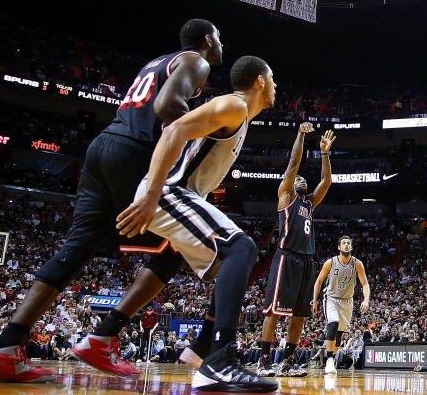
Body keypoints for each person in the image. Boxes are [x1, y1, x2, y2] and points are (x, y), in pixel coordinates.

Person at [0, 19, 223, 383]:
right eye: (219, 38)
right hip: (136, 153)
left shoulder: (157, 61)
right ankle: (105, 335)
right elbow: (168, 106)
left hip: (103, 147)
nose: (221, 45)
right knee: (179, 246)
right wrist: (205, 137)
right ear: (205, 39)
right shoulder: (195, 61)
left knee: (78, 248)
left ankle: (5, 347)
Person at [112, 54, 278, 392]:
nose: (275, 85)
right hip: (169, 193)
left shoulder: (240, 116)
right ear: (260, 81)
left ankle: (204, 351)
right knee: (240, 248)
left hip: (181, 196)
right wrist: (151, 195)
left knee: (229, 265)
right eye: (272, 78)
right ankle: (220, 358)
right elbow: (174, 128)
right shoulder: (235, 106)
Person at [257, 123, 337, 377]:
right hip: (286, 257)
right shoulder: (286, 196)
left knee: (299, 315)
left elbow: (326, 181)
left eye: (304, 179)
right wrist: (301, 135)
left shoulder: (309, 203)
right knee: (273, 312)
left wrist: (324, 153)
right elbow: (293, 165)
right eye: (298, 179)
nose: (302, 179)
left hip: (306, 261)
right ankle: (264, 359)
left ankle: (288, 361)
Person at [311, 235, 371, 374]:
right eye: (343, 243)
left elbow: (365, 284)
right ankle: (330, 360)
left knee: (339, 334)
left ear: (351, 247)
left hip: (347, 301)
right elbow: (319, 281)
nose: (346, 245)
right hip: (331, 298)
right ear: (339, 247)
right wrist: (315, 300)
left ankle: (332, 357)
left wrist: (366, 299)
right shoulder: (330, 262)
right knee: (334, 323)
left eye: (348, 243)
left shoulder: (357, 264)